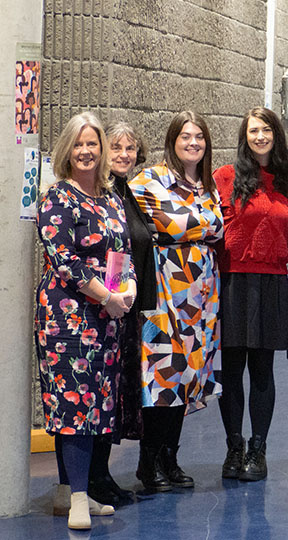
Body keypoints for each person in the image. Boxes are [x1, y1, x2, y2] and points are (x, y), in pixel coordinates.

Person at [36, 112, 135, 529]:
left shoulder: (111, 199)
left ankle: (68, 490)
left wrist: (125, 289)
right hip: (67, 318)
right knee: (73, 403)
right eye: (78, 144)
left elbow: (120, 252)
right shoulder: (58, 197)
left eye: (92, 143)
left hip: (107, 319)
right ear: (67, 150)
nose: (86, 151)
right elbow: (65, 260)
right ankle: (79, 499)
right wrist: (107, 295)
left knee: (96, 405)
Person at [130, 111, 223, 492]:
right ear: (172, 141)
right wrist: (201, 226)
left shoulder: (209, 184)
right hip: (163, 289)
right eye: (185, 136)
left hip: (201, 295)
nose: (193, 143)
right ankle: (148, 462)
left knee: (185, 376)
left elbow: (214, 227)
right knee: (161, 374)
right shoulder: (149, 179)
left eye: (199, 137)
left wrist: (191, 225)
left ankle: (171, 456)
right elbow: (174, 226)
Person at [214, 107, 288, 481]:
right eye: (253, 131)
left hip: (271, 283)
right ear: (244, 136)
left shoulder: (287, 183)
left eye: (266, 130)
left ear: (275, 134)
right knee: (231, 371)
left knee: (262, 371)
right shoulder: (225, 178)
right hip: (232, 282)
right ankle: (234, 447)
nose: (260, 136)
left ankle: (258, 449)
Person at [84, 122, 152, 506]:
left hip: (127, 309)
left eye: (130, 148)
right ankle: (91, 478)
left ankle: (103, 474)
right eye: (117, 147)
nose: (124, 154)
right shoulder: (102, 196)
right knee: (100, 394)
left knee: (115, 398)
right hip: (102, 309)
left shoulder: (132, 193)